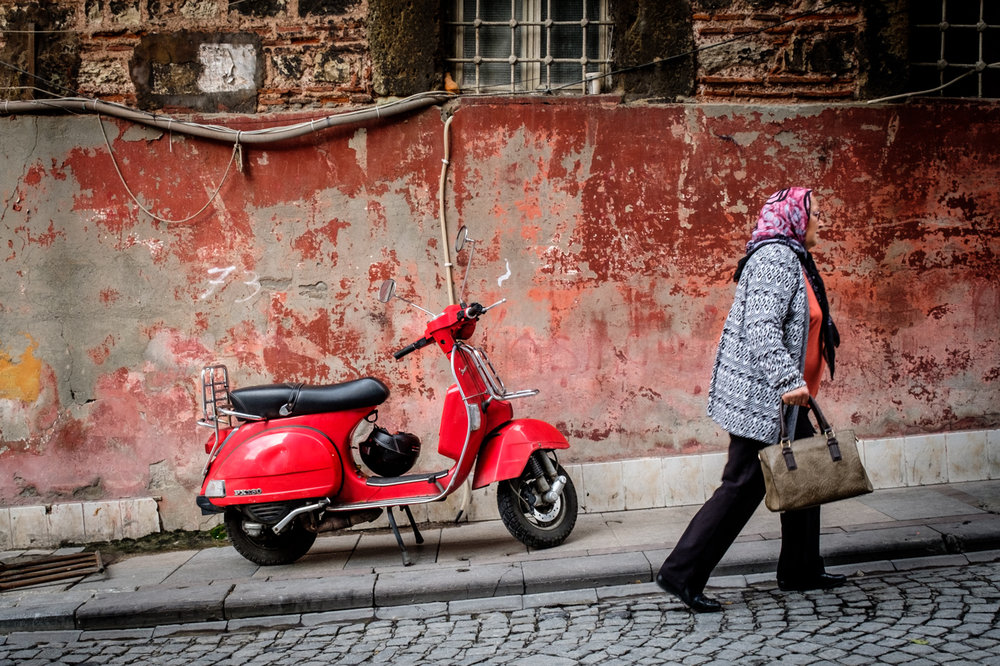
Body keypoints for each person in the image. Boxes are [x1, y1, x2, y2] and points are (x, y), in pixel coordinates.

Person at [656, 187, 843, 613]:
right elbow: (762, 329)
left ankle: (801, 568)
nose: (819, 222)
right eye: (814, 214)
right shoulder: (775, 259)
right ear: (794, 217)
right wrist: (786, 379)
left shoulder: (795, 258)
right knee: (742, 487)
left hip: (789, 400)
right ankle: (681, 573)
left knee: (803, 477)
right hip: (764, 399)